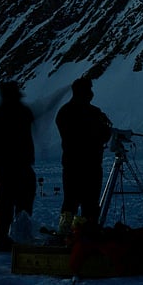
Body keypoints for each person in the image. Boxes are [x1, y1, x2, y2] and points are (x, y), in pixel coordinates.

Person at [0, 81, 36, 252]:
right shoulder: (22, 112)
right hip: (19, 167)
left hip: (5, 169)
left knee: (6, 206)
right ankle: (20, 239)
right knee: (23, 206)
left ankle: (4, 240)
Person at [55, 77, 113, 233]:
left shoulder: (64, 112)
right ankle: (87, 235)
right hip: (91, 165)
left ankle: (66, 234)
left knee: (70, 202)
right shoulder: (93, 113)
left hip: (71, 165)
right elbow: (102, 135)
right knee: (90, 204)